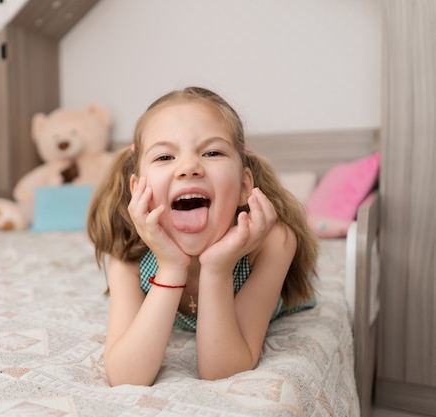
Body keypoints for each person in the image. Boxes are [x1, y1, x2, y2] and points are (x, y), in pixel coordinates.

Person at [87, 86, 318, 386]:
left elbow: (222, 370)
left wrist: (218, 267)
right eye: (165, 156)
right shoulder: (127, 256)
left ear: (244, 185)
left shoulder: (272, 242)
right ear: (137, 189)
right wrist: (171, 267)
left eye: (212, 152)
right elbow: (126, 376)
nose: (188, 167)